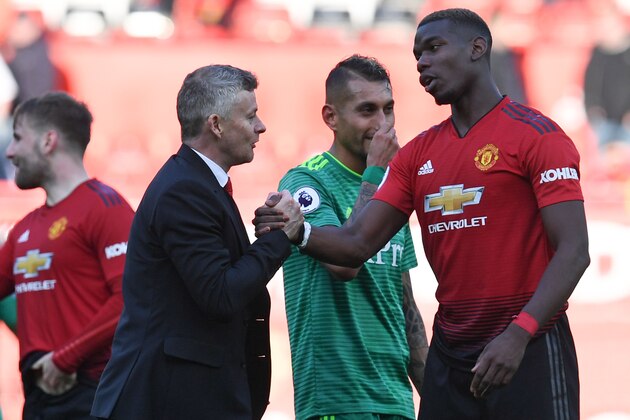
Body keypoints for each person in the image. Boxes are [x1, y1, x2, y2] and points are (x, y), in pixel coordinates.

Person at [256, 8, 590, 420]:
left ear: (477, 48)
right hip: (451, 360)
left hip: (528, 347)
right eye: (416, 55)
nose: (421, 63)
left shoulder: (538, 137)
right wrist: (298, 231)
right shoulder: (416, 157)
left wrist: (520, 333)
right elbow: (356, 244)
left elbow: (574, 251)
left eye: (433, 48)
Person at [91, 64, 303, 420]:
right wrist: (282, 237)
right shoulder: (185, 190)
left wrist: (266, 239)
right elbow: (220, 295)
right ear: (216, 125)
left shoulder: (196, 183)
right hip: (164, 401)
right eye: (250, 115)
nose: (261, 126)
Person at [279, 54, 428, 420]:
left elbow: (405, 304)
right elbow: (343, 261)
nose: (382, 125)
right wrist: (375, 172)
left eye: (388, 109)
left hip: (395, 398)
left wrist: (439, 396)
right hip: (337, 398)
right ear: (331, 117)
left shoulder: (395, 187)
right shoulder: (306, 182)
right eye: (367, 111)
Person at [0, 92, 134, 419]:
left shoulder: (106, 208)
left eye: (18, 138)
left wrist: (65, 359)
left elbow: (131, 297)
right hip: (40, 397)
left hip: (93, 394)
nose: (10, 151)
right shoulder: (25, 229)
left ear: (49, 141)